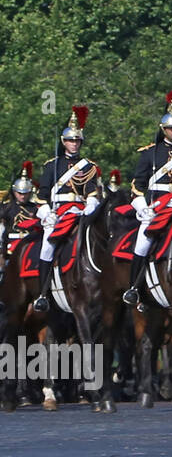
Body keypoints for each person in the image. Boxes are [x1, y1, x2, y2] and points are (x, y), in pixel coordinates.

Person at [122, 91, 172, 305]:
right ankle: (134, 288)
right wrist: (142, 208)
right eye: (171, 128)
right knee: (143, 241)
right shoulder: (149, 153)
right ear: (163, 129)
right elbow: (137, 186)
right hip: (156, 207)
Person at [33, 107, 101, 313]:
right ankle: (42, 294)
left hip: (80, 213)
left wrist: (90, 205)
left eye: (77, 141)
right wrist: (47, 213)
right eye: (71, 140)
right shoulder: (52, 165)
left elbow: (92, 193)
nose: (74, 144)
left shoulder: (88, 167)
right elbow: (41, 196)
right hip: (58, 214)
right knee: (47, 247)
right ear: (63, 142)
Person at [1, 162, 41, 260]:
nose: (23, 196)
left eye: (26, 193)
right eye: (20, 193)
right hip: (10, 245)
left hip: (30, 245)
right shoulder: (6, 207)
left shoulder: (35, 208)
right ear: (14, 192)